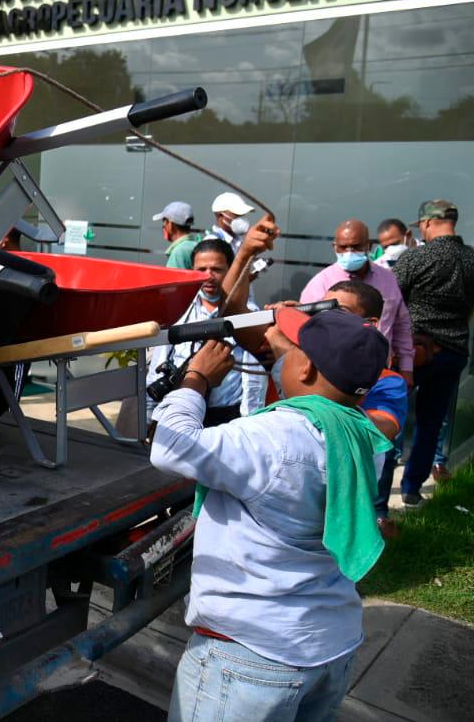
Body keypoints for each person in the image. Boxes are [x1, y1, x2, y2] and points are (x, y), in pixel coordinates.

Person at [152, 308, 392, 722]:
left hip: (251, 658)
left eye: (294, 349)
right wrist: (285, 357)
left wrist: (197, 378)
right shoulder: (363, 436)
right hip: (329, 644)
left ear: (309, 366)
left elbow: (171, 444)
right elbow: (314, 396)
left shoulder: (270, 439)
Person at [391, 200, 474, 500]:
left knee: (389, 417)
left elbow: (393, 303)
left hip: (414, 350)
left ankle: (379, 500)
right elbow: (471, 308)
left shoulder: (416, 258)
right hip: (453, 350)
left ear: (427, 223)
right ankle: (411, 489)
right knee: (432, 422)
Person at [146, 238, 266, 425]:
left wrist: (250, 423)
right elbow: (158, 364)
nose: (208, 276)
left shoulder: (247, 313)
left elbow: (254, 380)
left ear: (230, 271)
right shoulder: (179, 309)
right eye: (201, 269)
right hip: (180, 410)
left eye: (217, 269)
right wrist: (150, 416)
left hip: (225, 418)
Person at [324, 280, 409, 537]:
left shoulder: (386, 380)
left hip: (347, 493)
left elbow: (385, 427)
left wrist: (321, 408)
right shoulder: (302, 358)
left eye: (340, 312)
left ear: (370, 323)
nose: (327, 319)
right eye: (322, 309)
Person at [299, 219, 414, 385]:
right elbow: (306, 330)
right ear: (334, 247)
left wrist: (406, 369)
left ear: (368, 245)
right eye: (343, 247)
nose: (349, 252)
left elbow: (401, 325)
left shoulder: (387, 279)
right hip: (335, 378)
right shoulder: (321, 284)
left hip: (380, 375)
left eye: (356, 246)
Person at [153, 201, 200, 269]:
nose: (163, 226)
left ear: (170, 224)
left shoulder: (179, 252)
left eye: (164, 221)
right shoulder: (197, 244)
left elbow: (173, 279)